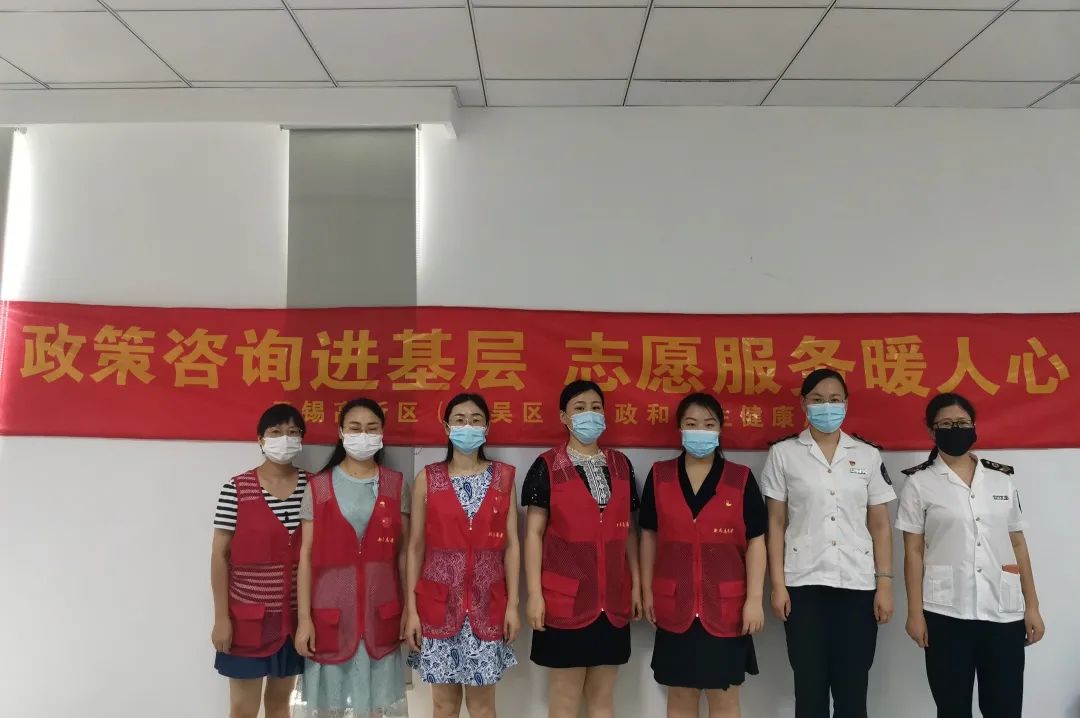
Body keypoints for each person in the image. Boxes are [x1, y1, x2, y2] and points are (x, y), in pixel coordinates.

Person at [897, 392, 1045, 718]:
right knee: (952, 708)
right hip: (946, 612)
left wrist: (1032, 606)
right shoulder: (919, 483)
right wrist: (915, 613)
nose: (955, 429)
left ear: (974, 426)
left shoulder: (1000, 479)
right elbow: (913, 551)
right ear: (931, 430)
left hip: (1003, 612)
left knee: (1005, 707)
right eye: (946, 424)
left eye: (962, 422)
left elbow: (1018, 544)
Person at [760, 368, 895, 718]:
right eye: (818, 400)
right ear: (803, 403)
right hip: (804, 586)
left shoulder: (867, 454)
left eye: (834, 400)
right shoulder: (784, 454)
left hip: (857, 586)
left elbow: (880, 525)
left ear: (846, 404)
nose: (827, 407)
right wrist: (778, 585)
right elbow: (775, 523)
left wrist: (884, 585)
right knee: (810, 691)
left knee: (852, 692)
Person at [640, 392, 767, 718]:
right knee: (680, 696)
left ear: (720, 429)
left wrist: (754, 599)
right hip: (674, 603)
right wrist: (646, 590)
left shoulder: (740, 479)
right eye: (692, 423)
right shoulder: (660, 476)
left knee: (724, 697)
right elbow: (648, 535)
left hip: (726, 608)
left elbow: (756, 541)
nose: (700, 431)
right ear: (680, 429)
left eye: (709, 424)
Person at [522, 380, 642, 718]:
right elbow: (533, 534)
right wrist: (534, 595)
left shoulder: (621, 465)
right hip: (564, 601)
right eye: (579, 408)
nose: (589, 414)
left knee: (603, 699)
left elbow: (629, 533)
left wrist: (636, 586)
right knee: (565, 701)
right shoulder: (547, 466)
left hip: (612, 603)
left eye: (595, 407)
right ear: (564, 417)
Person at [404, 393, 521, 718]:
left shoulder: (504, 478)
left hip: (487, 606)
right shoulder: (428, 478)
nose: (467, 426)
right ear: (446, 427)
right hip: (438, 606)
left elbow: (512, 545)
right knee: (443, 706)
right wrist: (411, 611)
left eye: (475, 420)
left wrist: (513, 606)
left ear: (487, 427)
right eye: (459, 420)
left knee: (482, 707)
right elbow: (415, 547)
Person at [293, 398, 410, 717]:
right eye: (355, 428)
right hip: (330, 615)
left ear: (382, 433)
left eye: (372, 428)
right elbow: (306, 556)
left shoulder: (395, 484)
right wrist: (304, 620)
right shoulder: (319, 487)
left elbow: (403, 555)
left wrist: (408, 609)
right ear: (341, 432)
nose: (363, 435)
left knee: (375, 707)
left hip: (380, 614)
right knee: (330, 707)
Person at [211, 403, 308, 718]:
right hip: (246, 622)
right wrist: (221, 618)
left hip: (292, 622)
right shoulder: (236, 489)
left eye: (292, 432)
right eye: (276, 432)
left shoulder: (313, 487)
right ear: (260, 439)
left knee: (280, 705)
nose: (284, 439)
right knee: (243, 708)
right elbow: (219, 556)